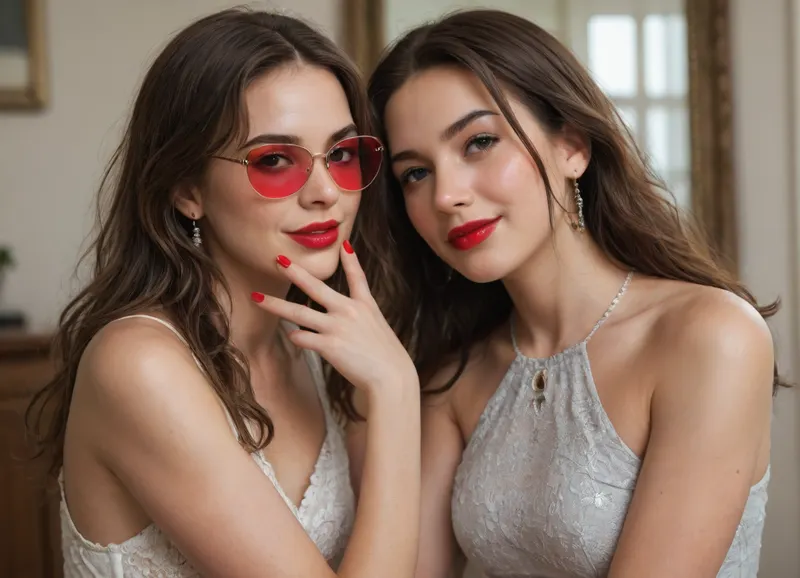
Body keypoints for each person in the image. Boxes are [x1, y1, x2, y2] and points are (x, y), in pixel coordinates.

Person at [360, 9, 780, 578]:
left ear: (573, 147)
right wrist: (390, 391)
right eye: (415, 173)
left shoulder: (710, 337)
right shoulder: (453, 378)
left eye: (479, 142)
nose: (447, 195)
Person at [26, 8, 420, 578]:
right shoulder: (140, 365)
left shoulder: (312, 344)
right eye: (275, 160)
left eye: (340, 154)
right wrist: (397, 392)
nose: (325, 192)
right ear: (188, 189)